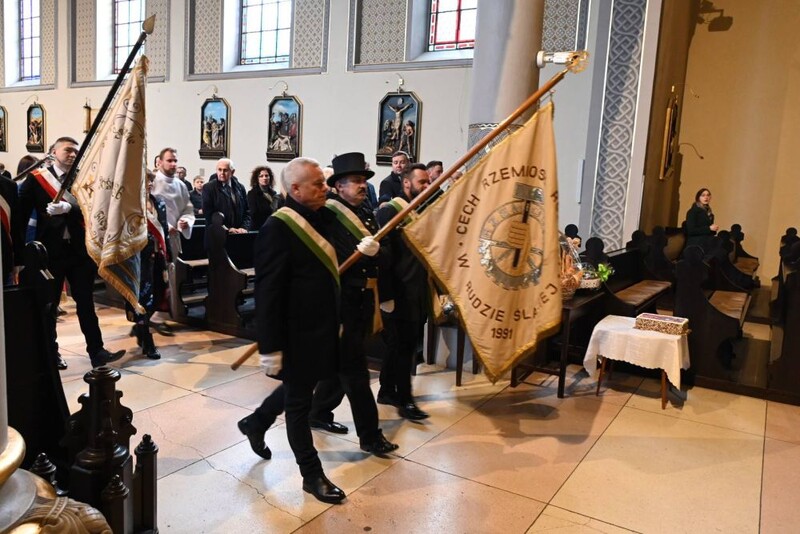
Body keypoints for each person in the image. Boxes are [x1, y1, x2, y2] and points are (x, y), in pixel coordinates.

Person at [238, 157, 376, 504]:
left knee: (299, 388)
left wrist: (369, 251)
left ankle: (257, 421)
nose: (325, 188)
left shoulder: (324, 215)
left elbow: (342, 247)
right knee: (300, 403)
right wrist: (269, 346)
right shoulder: (278, 227)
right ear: (294, 189)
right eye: (317, 184)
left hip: (325, 327)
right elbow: (267, 291)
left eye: (324, 182)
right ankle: (311, 475)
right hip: (296, 333)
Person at [308, 152, 399, 454]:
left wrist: (376, 252)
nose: (362, 186)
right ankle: (370, 436)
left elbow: (386, 254)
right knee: (356, 371)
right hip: (341, 301)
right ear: (338, 186)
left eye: (363, 181)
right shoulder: (328, 214)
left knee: (339, 367)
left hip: (363, 299)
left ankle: (317, 412)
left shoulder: (369, 213)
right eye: (355, 181)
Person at [16, 136, 125, 370]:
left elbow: (96, 206)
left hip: (78, 252)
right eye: (68, 150)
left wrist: (70, 207)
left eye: (76, 151)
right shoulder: (36, 180)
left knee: (86, 303)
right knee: (50, 305)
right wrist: (19, 254)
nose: (73, 154)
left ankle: (97, 352)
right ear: (53, 152)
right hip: (50, 252)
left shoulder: (84, 179)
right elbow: (21, 215)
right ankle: (51, 352)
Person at [375, 163, 431, 420]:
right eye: (422, 182)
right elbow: (385, 258)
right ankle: (405, 399)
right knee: (404, 347)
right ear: (406, 183)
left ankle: (387, 390)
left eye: (428, 182)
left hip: (415, 290)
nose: (426, 186)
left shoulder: (417, 211)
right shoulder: (390, 211)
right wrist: (386, 297)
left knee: (399, 346)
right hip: (399, 292)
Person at [127, 171, 171, 360]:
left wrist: (168, 254)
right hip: (139, 258)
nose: (150, 184)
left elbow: (165, 229)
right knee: (144, 298)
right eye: (146, 181)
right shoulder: (130, 204)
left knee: (160, 295)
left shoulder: (158, 202)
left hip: (158, 257)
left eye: (152, 181)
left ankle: (140, 327)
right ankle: (147, 339)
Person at [202, 158, 250, 234]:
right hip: (217, 235)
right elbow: (209, 214)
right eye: (219, 170)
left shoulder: (240, 187)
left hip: (239, 234)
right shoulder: (208, 188)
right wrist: (228, 229)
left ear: (232, 172)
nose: (222, 173)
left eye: (225, 170)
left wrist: (244, 227)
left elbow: (247, 211)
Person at [247, 165, 283, 231]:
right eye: (261, 176)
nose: (265, 178)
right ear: (257, 179)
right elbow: (254, 214)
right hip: (258, 229)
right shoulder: (252, 194)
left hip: (272, 228)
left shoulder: (273, 193)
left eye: (267, 176)